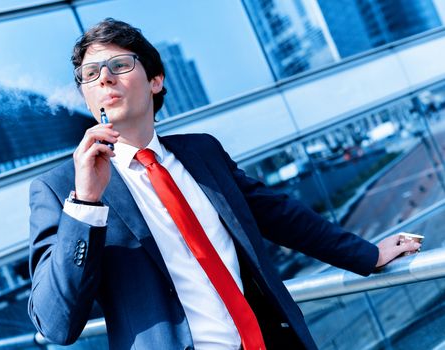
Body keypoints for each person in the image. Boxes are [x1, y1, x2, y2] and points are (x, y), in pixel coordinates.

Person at [28, 18, 421, 350]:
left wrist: (367, 255)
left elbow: (280, 214)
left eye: (120, 65)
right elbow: (55, 323)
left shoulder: (203, 153)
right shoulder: (61, 188)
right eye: (91, 74)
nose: (105, 78)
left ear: (156, 81)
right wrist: (86, 204)